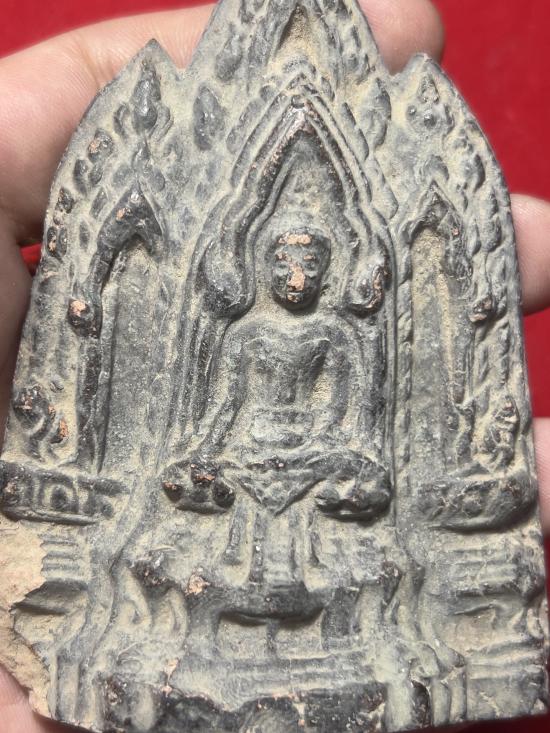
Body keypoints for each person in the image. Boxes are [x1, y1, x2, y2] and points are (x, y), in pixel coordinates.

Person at [0, 0, 548, 731]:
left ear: (332, 266)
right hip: (248, 455)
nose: (297, 275)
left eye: (311, 262)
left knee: (366, 539)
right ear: (257, 260)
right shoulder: (245, 334)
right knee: (177, 534)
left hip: (315, 458)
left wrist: (348, 459)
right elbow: (218, 413)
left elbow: (356, 425)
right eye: (285, 260)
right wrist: (200, 455)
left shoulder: (341, 337)